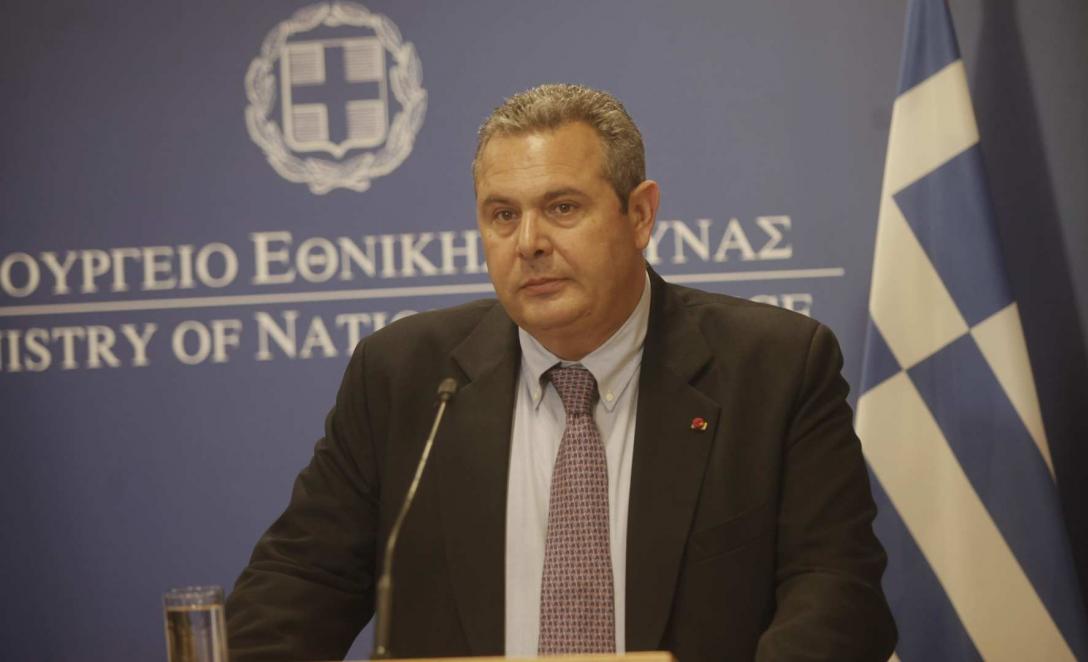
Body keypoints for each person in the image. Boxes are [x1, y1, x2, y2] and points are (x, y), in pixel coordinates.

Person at [226, 83, 897, 661]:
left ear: (640, 215)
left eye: (562, 208)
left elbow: (836, 592)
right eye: (503, 215)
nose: (529, 243)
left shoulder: (776, 368)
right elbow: (301, 581)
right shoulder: (403, 377)